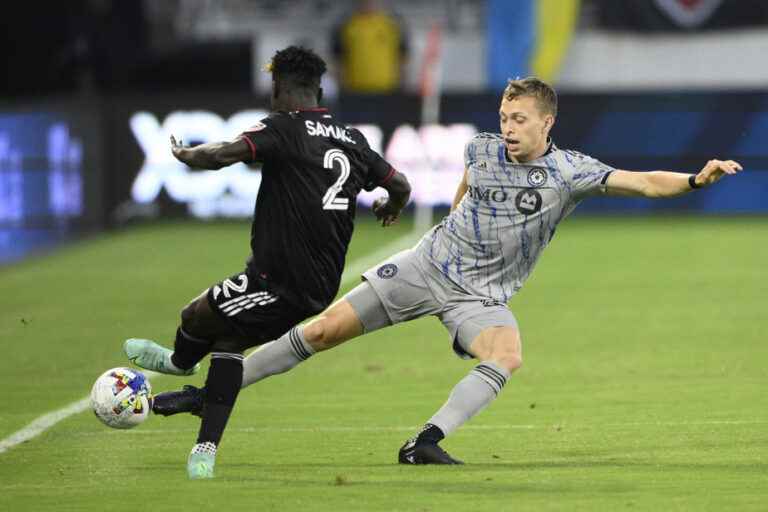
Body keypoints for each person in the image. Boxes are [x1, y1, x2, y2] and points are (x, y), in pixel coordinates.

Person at [152, 77, 743, 465]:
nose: (507, 127)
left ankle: (424, 444)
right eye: (504, 116)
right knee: (321, 332)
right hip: (426, 265)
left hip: (480, 296)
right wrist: (456, 219)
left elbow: (642, 183)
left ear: (546, 124)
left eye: (519, 119)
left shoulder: (570, 173)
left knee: (506, 354)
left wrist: (694, 179)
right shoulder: (481, 148)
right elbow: (466, 189)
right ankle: (206, 395)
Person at [123, 45, 411, 479]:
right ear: (319, 88)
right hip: (311, 279)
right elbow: (401, 184)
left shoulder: (283, 127)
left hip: (281, 282)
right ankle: (193, 407)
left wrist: (186, 155)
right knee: (213, 328)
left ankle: (192, 401)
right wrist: (391, 206)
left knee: (213, 329)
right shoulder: (353, 138)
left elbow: (222, 154)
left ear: (279, 88)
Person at [331, 0, 409, 93]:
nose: (368, 3)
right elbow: (338, 59)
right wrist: (341, 85)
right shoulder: (345, 26)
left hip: (388, 89)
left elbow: (402, 56)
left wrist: (402, 84)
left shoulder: (392, 25)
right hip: (354, 89)